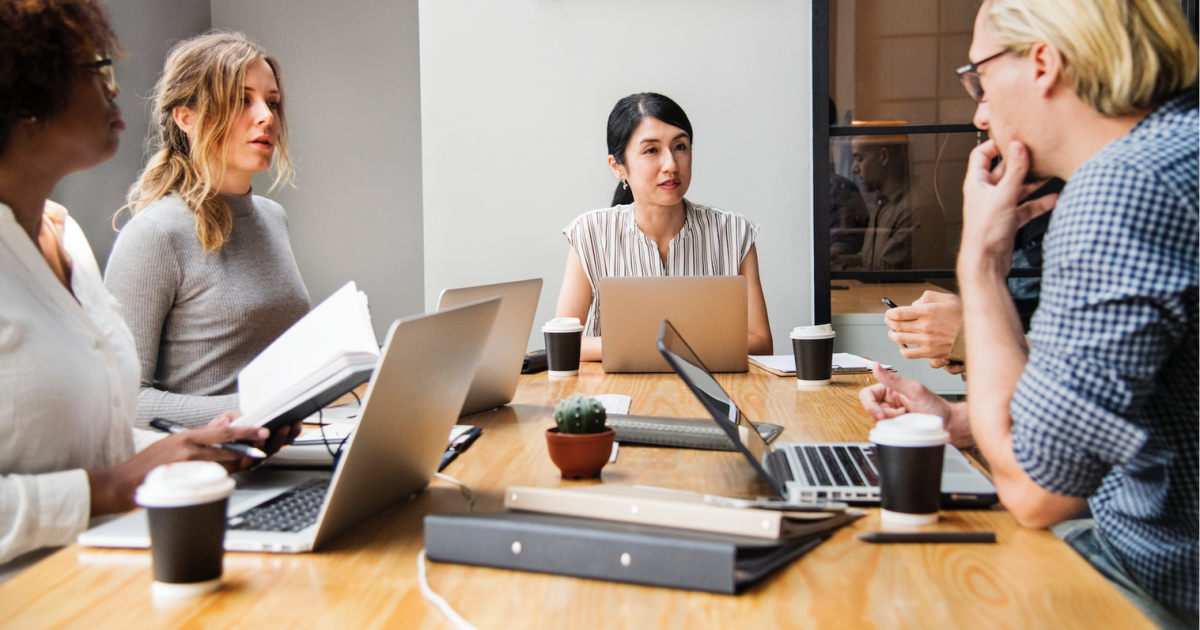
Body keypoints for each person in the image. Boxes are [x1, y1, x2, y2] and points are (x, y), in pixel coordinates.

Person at [861, 0, 1200, 625]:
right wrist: (962, 422)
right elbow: (1103, 421)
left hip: (1149, 580)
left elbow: (1039, 492)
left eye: (980, 80)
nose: (979, 112)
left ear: (1044, 62)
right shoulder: (1177, 148)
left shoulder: (1121, 190)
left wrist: (980, 265)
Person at [0, 0, 296, 581]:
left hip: (110, 568)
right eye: (95, 70)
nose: (117, 89)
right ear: (24, 93)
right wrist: (113, 486)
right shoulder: (153, 232)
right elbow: (110, 462)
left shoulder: (68, 242)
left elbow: (105, 426)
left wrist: (204, 449)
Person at [104, 32, 310, 429]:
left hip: (285, 449)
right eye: (241, 99)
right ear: (187, 117)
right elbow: (123, 403)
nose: (266, 116)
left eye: (272, 102)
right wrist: (250, 411)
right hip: (208, 470)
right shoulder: (155, 233)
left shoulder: (273, 217)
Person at [555, 93, 772, 361]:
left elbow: (761, 342)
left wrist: (656, 346)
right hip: (616, 394)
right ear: (617, 166)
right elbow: (563, 341)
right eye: (651, 150)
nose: (670, 164)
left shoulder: (734, 232)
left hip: (709, 394)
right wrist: (658, 345)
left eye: (680, 147)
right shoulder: (590, 233)